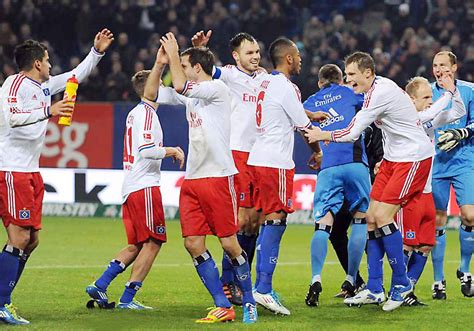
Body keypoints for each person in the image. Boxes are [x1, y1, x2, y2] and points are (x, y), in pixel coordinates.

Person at [0, 29, 114, 325]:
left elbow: (77, 74)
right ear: (36, 63)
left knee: (32, 240)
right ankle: (1, 302)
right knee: (19, 237)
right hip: (11, 170)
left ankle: (3, 295)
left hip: (30, 171)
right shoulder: (15, 84)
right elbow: (13, 118)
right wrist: (48, 110)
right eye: (48, 60)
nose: (51, 65)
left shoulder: (46, 85)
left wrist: (97, 51)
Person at [305, 51, 434, 311]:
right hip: (392, 158)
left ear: (367, 73)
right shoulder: (375, 89)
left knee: (383, 217)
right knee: (371, 218)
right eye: (346, 74)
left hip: (413, 157)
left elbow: (352, 133)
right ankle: (375, 287)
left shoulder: (379, 94)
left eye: (352, 74)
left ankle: (401, 284)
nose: (348, 80)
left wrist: (322, 133)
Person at [150, 32, 257, 324]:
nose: (180, 69)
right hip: (194, 180)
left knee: (229, 245)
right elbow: (151, 94)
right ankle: (222, 305)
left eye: (184, 65)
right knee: (193, 244)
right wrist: (161, 63)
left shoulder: (218, 90)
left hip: (219, 177)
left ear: (197, 68)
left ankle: (248, 301)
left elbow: (183, 86)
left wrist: (175, 52)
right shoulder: (191, 97)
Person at [85, 66, 185, 310]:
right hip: (144, 187)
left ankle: (100, 284)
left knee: (137, 244)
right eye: (162, 84)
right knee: (154, 241)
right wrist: (172, 150)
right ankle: (128, 299)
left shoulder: (134, 113)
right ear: (154, 88)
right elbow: (146, 150)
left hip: (131, 187)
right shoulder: (148, 114)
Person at [191, 30, 266, 306]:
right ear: (236, 56)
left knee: (255, 223)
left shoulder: (265, 79)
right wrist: (201, 49)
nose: (255, 56)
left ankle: (242, 279)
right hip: (237, 155)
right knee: (239, 221)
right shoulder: (230, 75)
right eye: (249, 52)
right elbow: (205, 71)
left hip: (260, 156)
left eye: (257, 51)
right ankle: (227, 281)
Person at [247, 37, 321, 315]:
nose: (300, 59)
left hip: (257, 157)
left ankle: (259, 286)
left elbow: (287, 114)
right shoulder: (287, 87)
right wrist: (318, 153)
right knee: (277, 220)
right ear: (288, 58)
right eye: (298, 54)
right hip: (274, 162)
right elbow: (304, 128)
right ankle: (263, 288)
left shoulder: (263, 82)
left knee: (267, 221)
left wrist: (308, 114)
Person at [303, 64, 370, 307]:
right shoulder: (352, 93)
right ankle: (353, 280)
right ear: (341, 79)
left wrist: (317, 152)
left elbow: (304, 129)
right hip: (354, 163)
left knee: (324, 224)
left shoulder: (310, 102)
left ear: (320, 82)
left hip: (328, 168)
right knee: (361, 218)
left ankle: (315, 279)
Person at [399, 74, 466, 305]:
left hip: (427, 191)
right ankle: (395, 288)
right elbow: (429, 114)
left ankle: (408, 289)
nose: (430, 100)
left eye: (431, 96)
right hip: (410, 193)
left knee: (426, 243)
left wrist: (454, 93)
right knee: (407, 243)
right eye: (426, 96)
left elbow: (458, 113)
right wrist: (447, 93)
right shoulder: (408, 117)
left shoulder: (427, 120)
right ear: (411, 99)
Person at [429, 51, 474, 299]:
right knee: (437, 220)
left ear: (454, 67)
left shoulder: (469, 91)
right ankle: (438, 280)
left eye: (443, 65)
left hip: (464, 161)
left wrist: (462, 134)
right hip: (436, 164)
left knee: (470, 215)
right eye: (435, 65)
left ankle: (465, 270)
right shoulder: (425, 90)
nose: (438, 70)